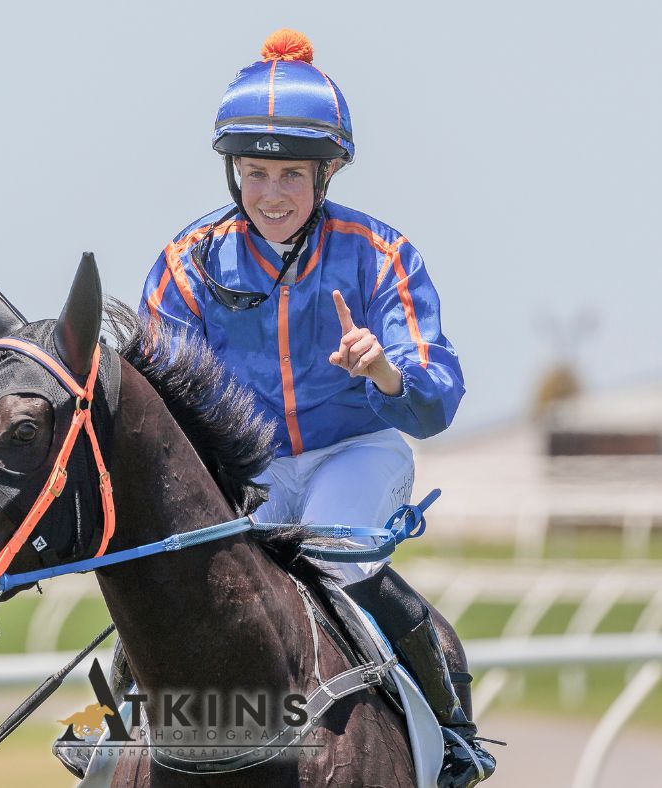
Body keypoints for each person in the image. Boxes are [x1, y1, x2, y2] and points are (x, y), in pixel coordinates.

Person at [138, 29, 496, 787]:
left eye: (291, 174)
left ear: (326, 173)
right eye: (255, 172)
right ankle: (124, 729)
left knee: (337, 569)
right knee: (193, 590)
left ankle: (452, 733)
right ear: (234, 172)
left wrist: (383, 372)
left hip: (355, 450)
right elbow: (163, 402)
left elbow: (437, 400)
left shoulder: (381, 253)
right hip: (251, 467)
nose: (270, 193)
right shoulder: (185, 264)